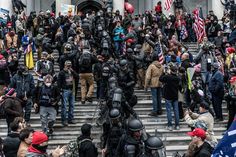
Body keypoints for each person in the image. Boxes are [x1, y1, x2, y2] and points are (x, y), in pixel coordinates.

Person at [159, 66, 180, 131]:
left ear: (171, 70)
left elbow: (160, 79)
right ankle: (177, 125)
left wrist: (164, 73)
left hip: (168, 96)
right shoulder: (177, 78)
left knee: (169, 111)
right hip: (175, 96)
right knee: (176, 110)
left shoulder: (167, 77)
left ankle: (170, 125)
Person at [57, 60, 77, 126]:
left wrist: (72, 71)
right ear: (65, 65)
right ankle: (64, 120)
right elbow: (58, 83)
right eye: (67, 65)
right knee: (64, 106)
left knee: (72, 105)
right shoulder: (61, 73)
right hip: (65, 90)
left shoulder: (71, 71)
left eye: (70, 65)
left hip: (71, 90)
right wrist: (59, 91)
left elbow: (77, 77)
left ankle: (70, 119)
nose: (69, 66)